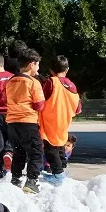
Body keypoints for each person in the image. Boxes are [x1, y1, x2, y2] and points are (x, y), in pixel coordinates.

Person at [4, 47, 45, 194]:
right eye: (38, 64)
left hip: (12, 124)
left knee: (19, 151)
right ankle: (32, 181)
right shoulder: (33, 83)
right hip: (28, 122)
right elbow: (39, 105)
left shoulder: (10, 82)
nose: (38, 68)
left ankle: (15, 179)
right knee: (36, 152)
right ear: (32, 64)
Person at [39, 55, 81, 186]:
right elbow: (78, 108)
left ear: (51, 70)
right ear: (67, 69)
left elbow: (41, 101)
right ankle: (61, 170)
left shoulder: (51, 82)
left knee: (50, 149)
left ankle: (58, 174)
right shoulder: (73, 86)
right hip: (64, 122)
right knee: (59, 147)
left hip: (50, 121)